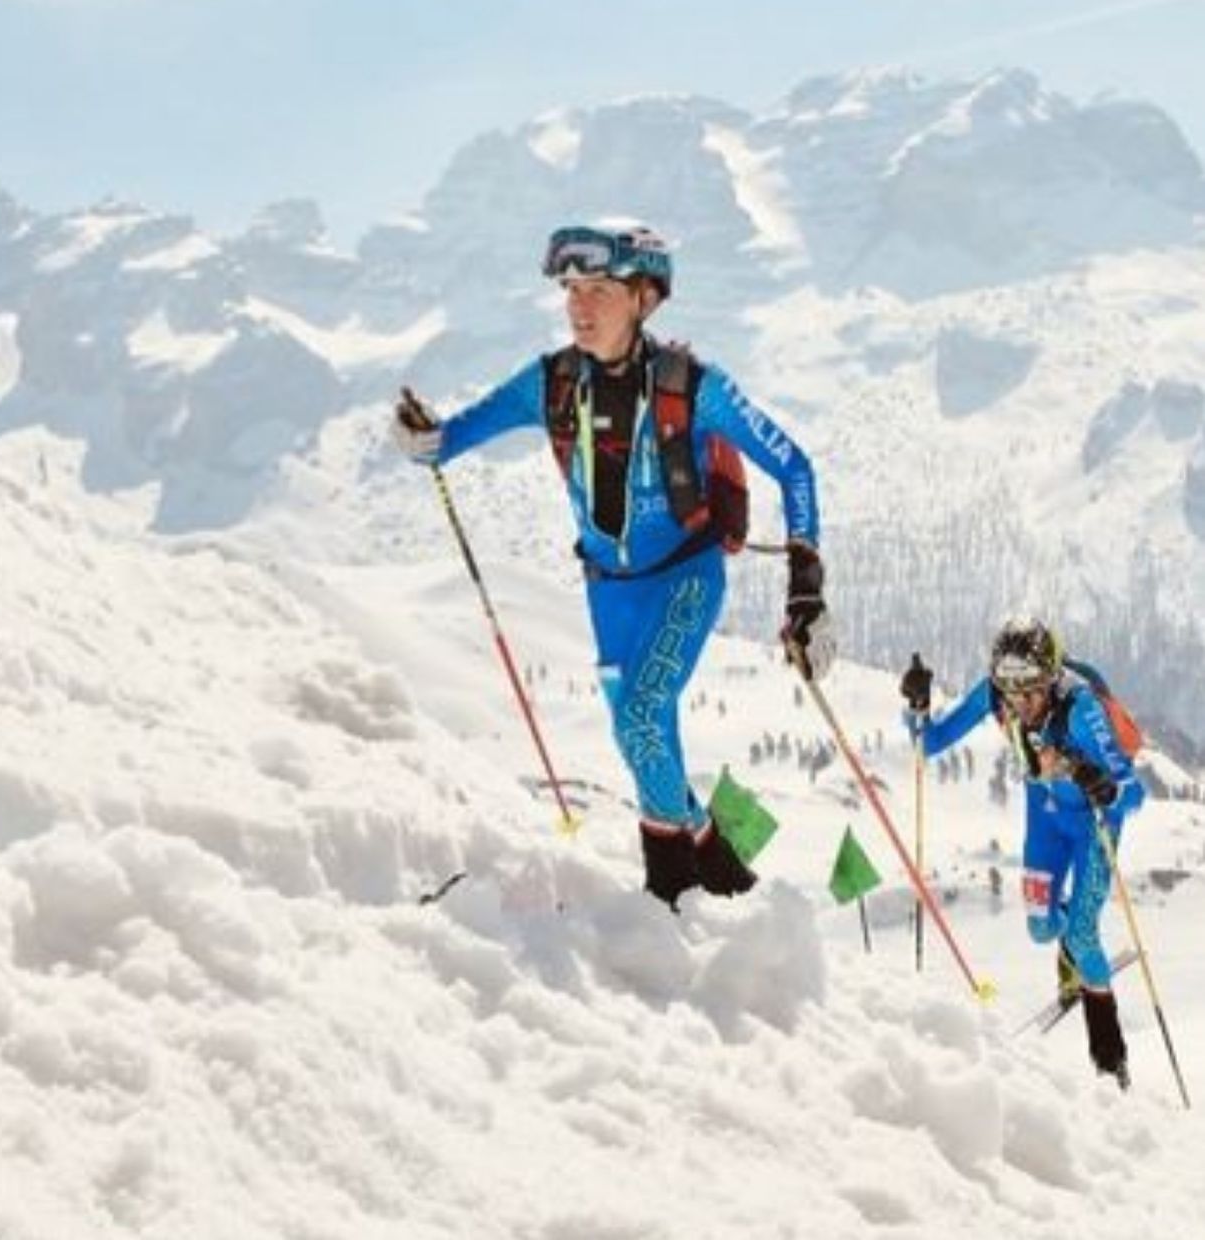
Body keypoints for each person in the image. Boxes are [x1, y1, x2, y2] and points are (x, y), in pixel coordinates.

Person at [392, 221, 834, 910]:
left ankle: (670, 898)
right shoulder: (549, 384)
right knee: (642, 740)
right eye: (571, 289)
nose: (578, 306)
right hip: (607, 594)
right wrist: (422, 436)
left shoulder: (694, 388)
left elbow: (794, 466)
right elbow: (445, 444)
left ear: (644, 298)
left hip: (685, 576)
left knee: (641, 715)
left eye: (598, 289)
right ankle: (727, 878)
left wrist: (806, 587)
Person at [900, 618, 1145, 1087]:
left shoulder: (1080, 710)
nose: (1020, 704)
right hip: (1046, 819)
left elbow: (1134, 795)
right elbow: (928, 743)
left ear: (1052, 680)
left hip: (1095, 826)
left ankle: (1109, 1056)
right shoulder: (995, 694)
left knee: (1084, 933)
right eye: (1011, 691)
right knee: (1040, 927)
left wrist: (1102, 784)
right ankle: (1071, 948)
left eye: (1031, 691)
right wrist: (916, 705)